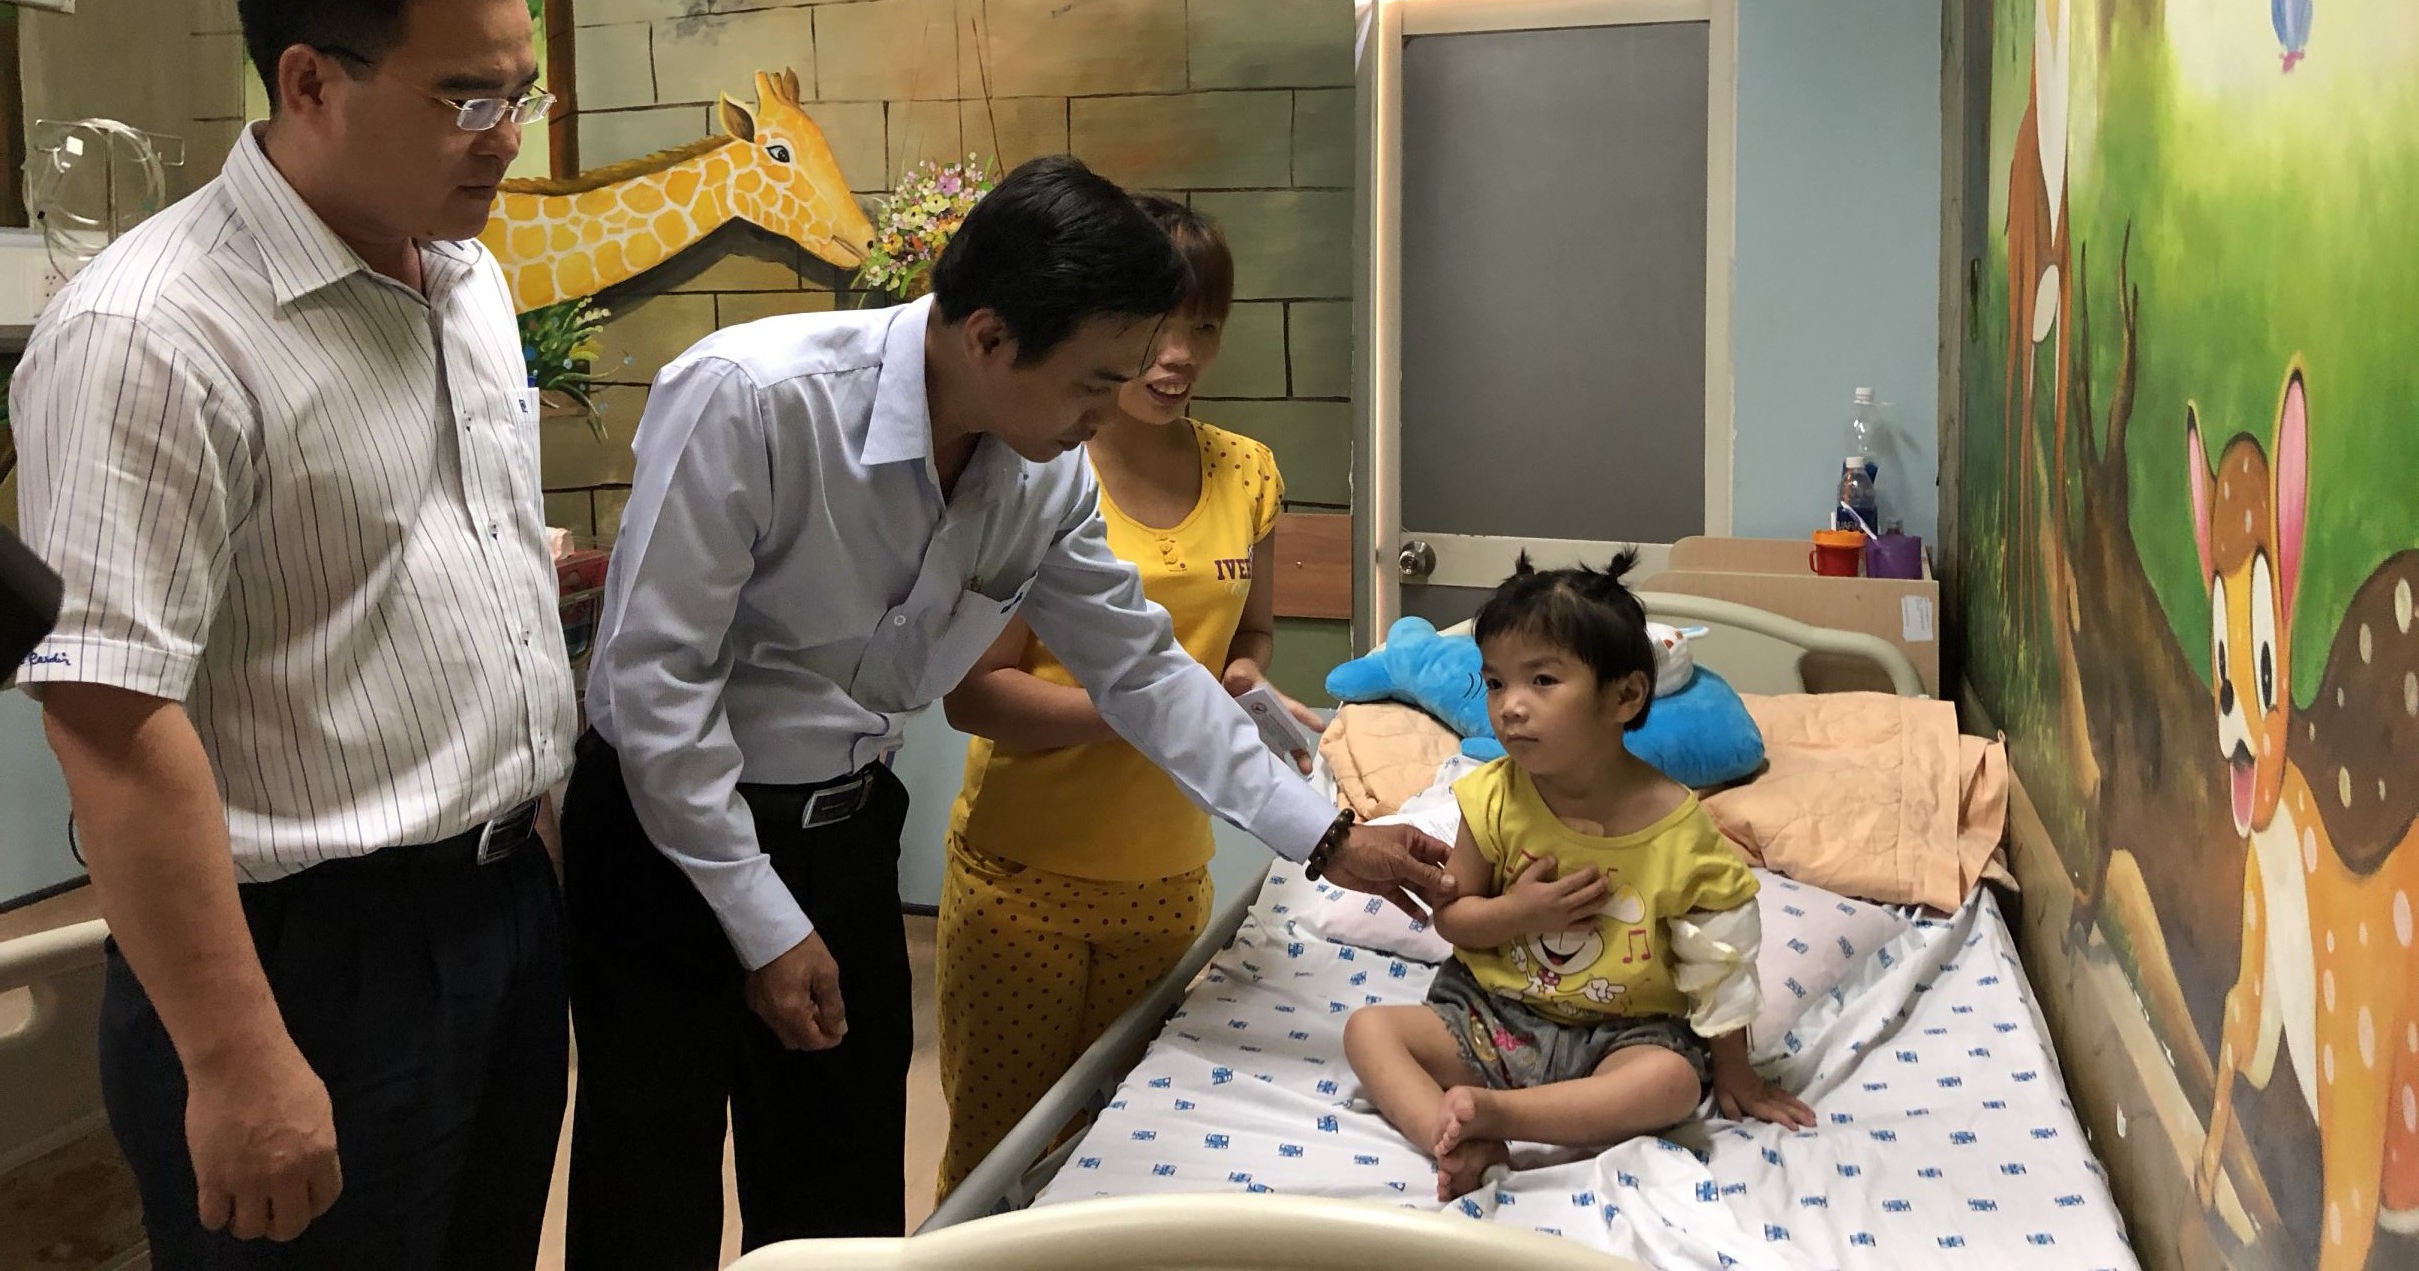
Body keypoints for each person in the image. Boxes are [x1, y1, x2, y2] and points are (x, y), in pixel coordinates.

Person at [562, 156, 1449, 1265]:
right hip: (666, 838)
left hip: (843, 829)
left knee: (839, 1186)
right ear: (987, 335)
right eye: (1093, 383)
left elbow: (1142, 669)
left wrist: (1327, 837)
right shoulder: (754, 398)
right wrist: (763, 919)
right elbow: (656, 685)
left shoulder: (1043, 473)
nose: (1105, 414)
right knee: (649, 1186)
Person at [15, 0, 575, 1268]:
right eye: (467, 98)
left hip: (501, 905)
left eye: (521, 92)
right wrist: (237, 1057)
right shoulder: (150, 333)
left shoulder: (464, 276)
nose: (507, 138)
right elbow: (106, 714)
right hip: (305, 956)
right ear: (311, 79)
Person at [932, 196, 1324, 1198]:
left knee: (1124, 1155)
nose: (1178, 355)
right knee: (997, 1157)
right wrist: (1143, 708)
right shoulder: (1043, 464)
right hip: (1026, 878)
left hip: (1169, 873)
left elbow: (1248, 639)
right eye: (1157, 328)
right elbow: (975, 694)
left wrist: (1241, 685)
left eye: (1205, 326)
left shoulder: (1245, 471)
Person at [1343, 552, 1813, 1202]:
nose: (1510, 707)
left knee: (1672, 1084)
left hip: (1622, 1032)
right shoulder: (1491, 798)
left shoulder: (1680, 833)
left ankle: (1502, 1115)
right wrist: (1519, 914)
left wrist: (1738, 1074)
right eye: (1495, 683)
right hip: (1490, 1015)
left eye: (1541, 680)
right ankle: (1452, 1137)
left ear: (1624, 696)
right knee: (1368, 1031)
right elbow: (1453, 916)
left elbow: (1719, 968)